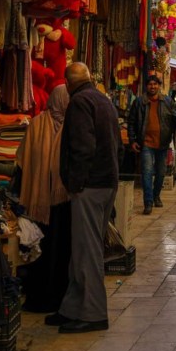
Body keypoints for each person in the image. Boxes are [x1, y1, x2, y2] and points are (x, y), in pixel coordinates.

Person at [45, 62, 121, 334]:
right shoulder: (103, 100)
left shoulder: (79, 104)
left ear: (67, 84)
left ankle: (93, 313)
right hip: (106, 183)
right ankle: (72, 308)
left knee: (86, 251)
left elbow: (82, 147)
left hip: (90, 186)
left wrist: (75, 184)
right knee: (83, 250)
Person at [16, 84, 71, 313]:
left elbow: (21, 161)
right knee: (58, 249)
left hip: (37, 201)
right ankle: (56, 297)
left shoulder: (37, 124)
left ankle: (39, 297)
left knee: (41, 249)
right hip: (59, 203)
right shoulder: (70, 126)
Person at [127, 72, 176, 214]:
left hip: (163, 143)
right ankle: (148, 202)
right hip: (146, 143)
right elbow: (131, 122)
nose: (152, 86)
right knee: (147, 172)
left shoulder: (167, 101)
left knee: (160, 173)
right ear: (147, 86)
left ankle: (156, 195)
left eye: (155, 84)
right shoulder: (139, 102)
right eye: (150, 84)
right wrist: (132, 140)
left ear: (159, 86)